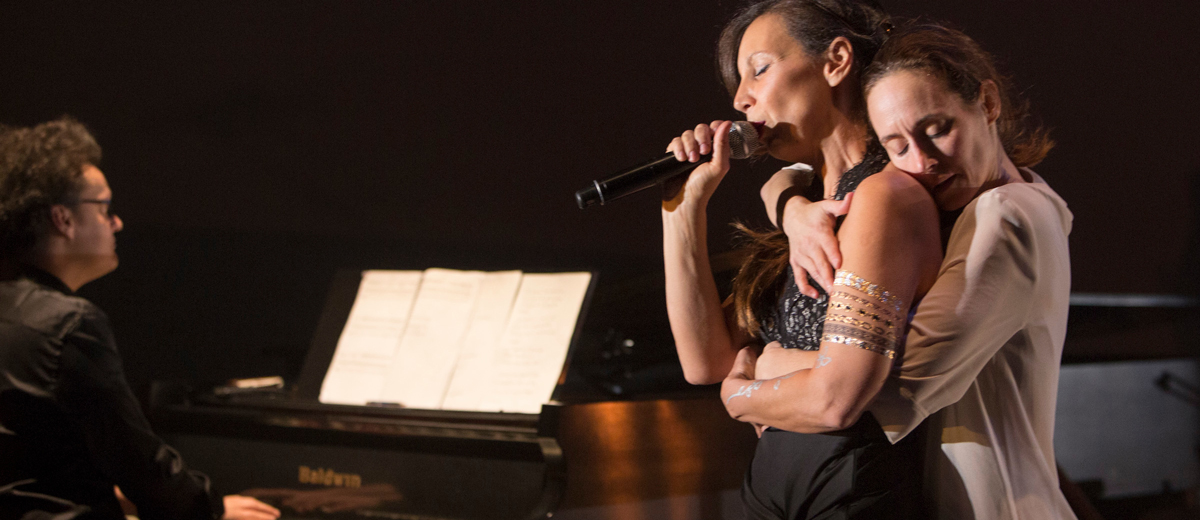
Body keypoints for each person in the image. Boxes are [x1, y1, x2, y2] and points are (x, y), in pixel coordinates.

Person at [764, 23, 1075, 518]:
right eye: (897, 145)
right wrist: (790, 204)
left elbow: (888, 387)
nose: (922, 160)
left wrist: (757, 379)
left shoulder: (1006, 214)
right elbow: (797, 170)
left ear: (988, 103)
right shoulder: (1010, 202)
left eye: (936, 130)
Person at [661, 1, 942, 518]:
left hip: (849, 486)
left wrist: (740, 395)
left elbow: (834, 401)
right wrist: (683, 209)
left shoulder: (881, 197)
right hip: (773, 486)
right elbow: (705, 361)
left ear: (836, 61)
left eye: (759, 69)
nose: (741, 99)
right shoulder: (805, 212)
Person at [0, 118, 281, 520]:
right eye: (104, 208)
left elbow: (28, 464)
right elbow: (139, 463)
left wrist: (116, 497)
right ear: (63, 219)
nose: (117, 222)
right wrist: (211, 508)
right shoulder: (69, 324)